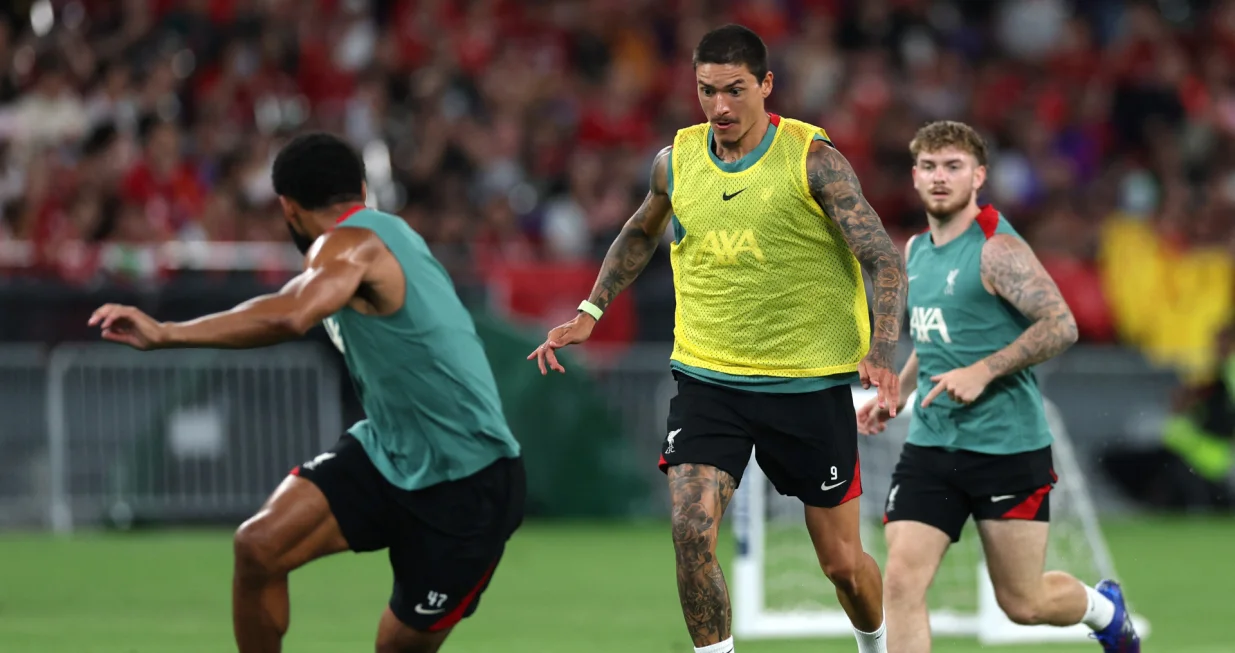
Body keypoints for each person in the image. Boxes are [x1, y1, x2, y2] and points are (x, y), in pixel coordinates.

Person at [530, 24, 906, 653]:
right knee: (689, 531)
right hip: (709, 382)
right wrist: (591, 309)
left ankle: (877, 644)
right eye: (707, 91)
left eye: (735, 90)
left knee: (842, 564)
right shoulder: (676, 162)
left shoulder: (813, 160)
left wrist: (883, 354)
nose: (721, 107)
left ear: (766, 86)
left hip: (806, 385)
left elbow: (883, 259)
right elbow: (640, 231)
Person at [89, 132, 525, 653]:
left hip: (468, 482)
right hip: (389, 453)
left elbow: (293, 311)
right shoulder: (387, 236)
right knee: (259, 546)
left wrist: (168, 332)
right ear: (361, 188)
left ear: (287, 208)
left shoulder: (349, 243)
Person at [857, 120, 1140, 653]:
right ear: (915, 176)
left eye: (953, 166)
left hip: (1005, 447)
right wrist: (899, 393)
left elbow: (1061, 324)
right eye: (930, 167)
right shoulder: (917, 250)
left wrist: (984, 370)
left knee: (1022, 602)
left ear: (978, 175)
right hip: (933, 445)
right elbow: (936, 340)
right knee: (899, 582)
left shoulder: (997, 249)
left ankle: (1104, 610)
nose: (940, 177)